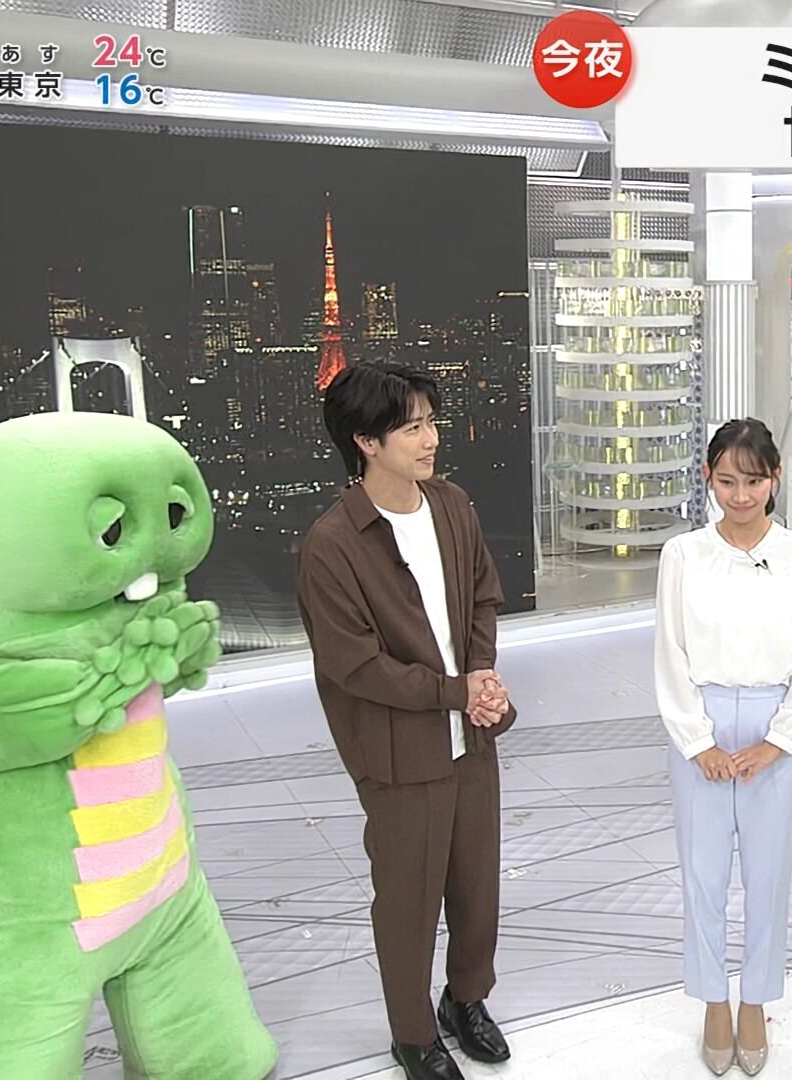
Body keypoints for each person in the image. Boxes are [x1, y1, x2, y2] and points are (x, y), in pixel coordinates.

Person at [296, 364, 517, 1080]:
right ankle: (413, 1035)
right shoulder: (333, 544)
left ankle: (466, 999)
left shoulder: (451, 506)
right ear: (366, 441)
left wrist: (480, 679)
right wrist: (455, 691)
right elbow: (354, 666)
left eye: (431, 422)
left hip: (470, 736)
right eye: (413, 427)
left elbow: (483, 597)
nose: (431, 439)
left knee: (477, 888)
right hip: (398, 753)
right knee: (408, 902)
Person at [654, 418, 792, 1076]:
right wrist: (696, 740)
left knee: (768, 871)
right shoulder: (683, 555)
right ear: (708, 477)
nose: (739, 495)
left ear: (774, 479)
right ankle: (712, 999)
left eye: (753, 482)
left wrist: (778, 741)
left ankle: (755, 999)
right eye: (726, 481)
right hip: (699, 716)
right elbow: (669, 651)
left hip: (775, 721)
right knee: (702, 874)